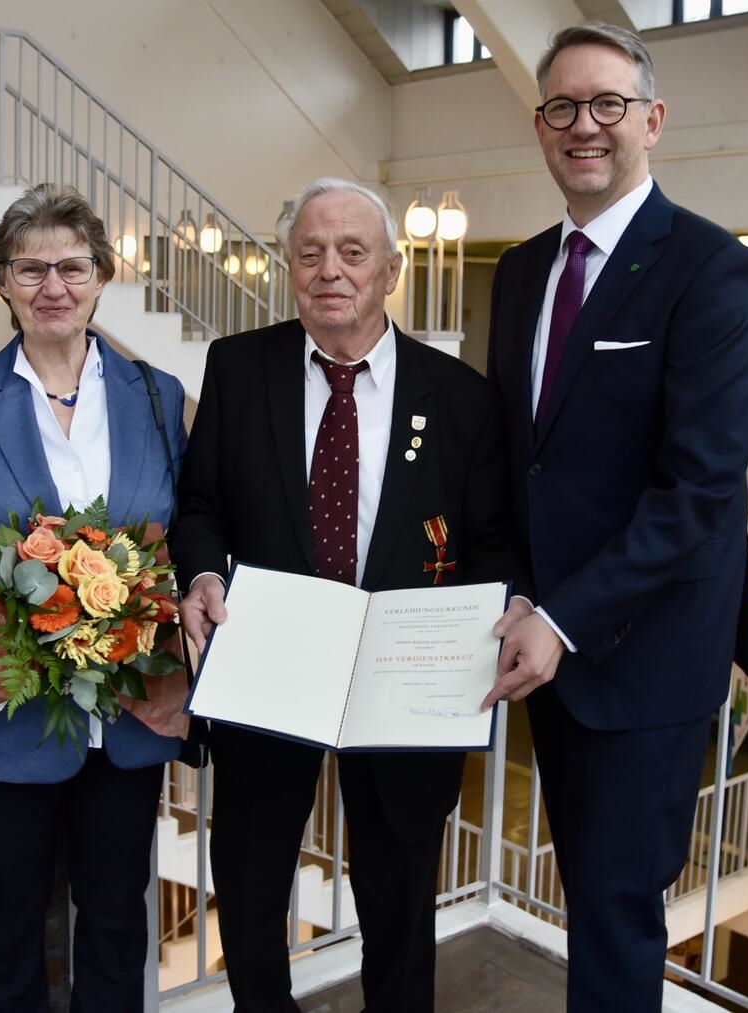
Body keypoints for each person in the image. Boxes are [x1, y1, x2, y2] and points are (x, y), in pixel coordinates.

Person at [175, 178, 524, 1012]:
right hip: (271, 673)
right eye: (311, 252)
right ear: (290, 269)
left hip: (403, 688)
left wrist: (498, 609)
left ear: (391, 272)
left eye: (353, 252)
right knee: (254, 892)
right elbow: (201, 505)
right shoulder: (237, 367)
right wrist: (202, 574)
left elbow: (494, 542)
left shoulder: (465, 398)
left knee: (399, 901)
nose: (330, 269)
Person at [483, 22, 748, 1011]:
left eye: (608, 104)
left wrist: (560, 618)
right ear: (540, 126)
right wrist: (522, 592)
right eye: (563, 105)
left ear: (652, 120)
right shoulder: (522, 272)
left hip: (644, 657)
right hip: (549, 645)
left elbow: (699, 491)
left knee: (614, 914)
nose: (585, 125)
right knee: (586, 897)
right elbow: (523, 461)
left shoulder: (713, 271)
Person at [0, 182, 186, 1012]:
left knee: (119, 917)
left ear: (101, 277)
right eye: (30, 268)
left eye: (74, 266)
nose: (53, 286)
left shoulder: (156, 397)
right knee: (10, 923)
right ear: (2, 281)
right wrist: (11, 629)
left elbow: (184, 534)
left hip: (126, 714)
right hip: (1, 716)